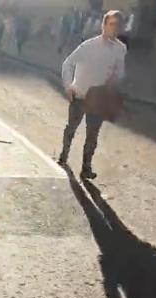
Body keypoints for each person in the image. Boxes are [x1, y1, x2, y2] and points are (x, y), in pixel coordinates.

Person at [59, 10, 126, 180]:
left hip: (99, 99)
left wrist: (116, 77)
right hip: (80, 95)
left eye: (118, 25)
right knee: (71, 128)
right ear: (103, 25)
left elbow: (120, 71)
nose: (114, 29)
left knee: (92, 136)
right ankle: (63, 157)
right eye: (111, 24)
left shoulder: (120, 48)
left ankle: (86, 168)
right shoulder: (88, 46)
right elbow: (68, 64)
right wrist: (68, 86)